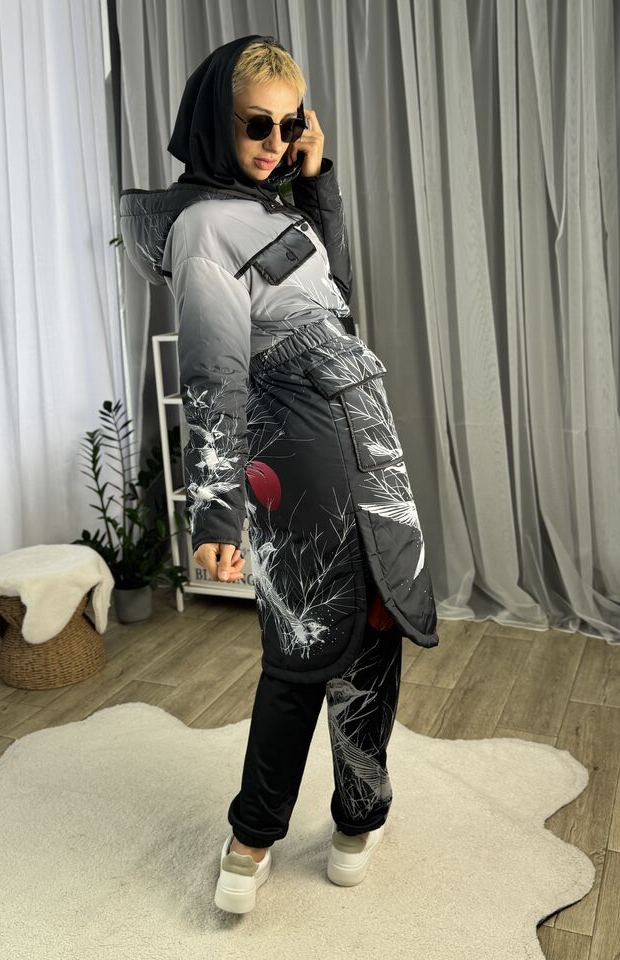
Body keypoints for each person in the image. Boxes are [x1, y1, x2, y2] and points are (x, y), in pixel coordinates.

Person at [119, 33, 439, 914]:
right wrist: (216, 515)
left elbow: (337, 296)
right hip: (297, 443)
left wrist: (316, 177)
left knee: (374, 624)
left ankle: (356, 816)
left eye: (290, 123)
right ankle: (251, 840)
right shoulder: (203, 228)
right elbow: (214, 376)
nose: (275, 140)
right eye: (257, 123)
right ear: (213, 124)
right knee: (303, 645)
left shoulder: (274, 209)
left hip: (363, 430)